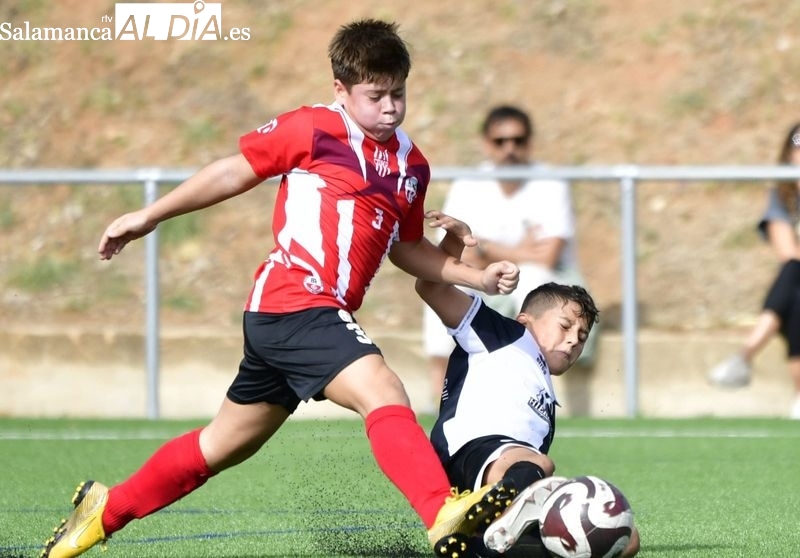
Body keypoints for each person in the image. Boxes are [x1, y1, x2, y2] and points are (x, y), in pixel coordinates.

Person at [39, 19, 523, 558]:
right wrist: (151, 214)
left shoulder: (412, 164)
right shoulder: (313, 128)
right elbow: (233, 172)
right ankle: (440, 511)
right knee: (382, 389)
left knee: (219, 446)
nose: (389, 107)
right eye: (375, 96)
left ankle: (104, 513)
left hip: (300, 316)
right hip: (294, 298)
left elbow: (407, 249)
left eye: (399, 94)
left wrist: (475, 275)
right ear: (340, 90)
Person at [416, 211, 639, 557]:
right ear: (525, 319)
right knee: (542, 465)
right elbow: (430, 286)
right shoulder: (504, 334)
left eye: (581, 337)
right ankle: (479, 522)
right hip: (469, 452)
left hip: (510, 470)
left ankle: (485, 542)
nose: (572, 341)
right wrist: (456, 242)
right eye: (564, 326)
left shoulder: (543, 387)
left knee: (623, 535)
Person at [422, 105, 596, 411]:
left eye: (518, 140)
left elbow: (547, 256)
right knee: (443, 287)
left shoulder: (549, 182)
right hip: (482, 276)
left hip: (537, 278)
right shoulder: (469, 184)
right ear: (486, 143)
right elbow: (456, 251)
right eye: (500, 141)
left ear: (529, 142)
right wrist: (515, 252)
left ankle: (536, 395)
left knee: (536, 283)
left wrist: (487, 248)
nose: (510, 149)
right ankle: (440, 398)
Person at [708, 121, 800, 419]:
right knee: (796, 285)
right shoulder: (782, 196)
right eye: (797, 148)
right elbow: (789, 253)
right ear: (787, 155)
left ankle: (744, 356)